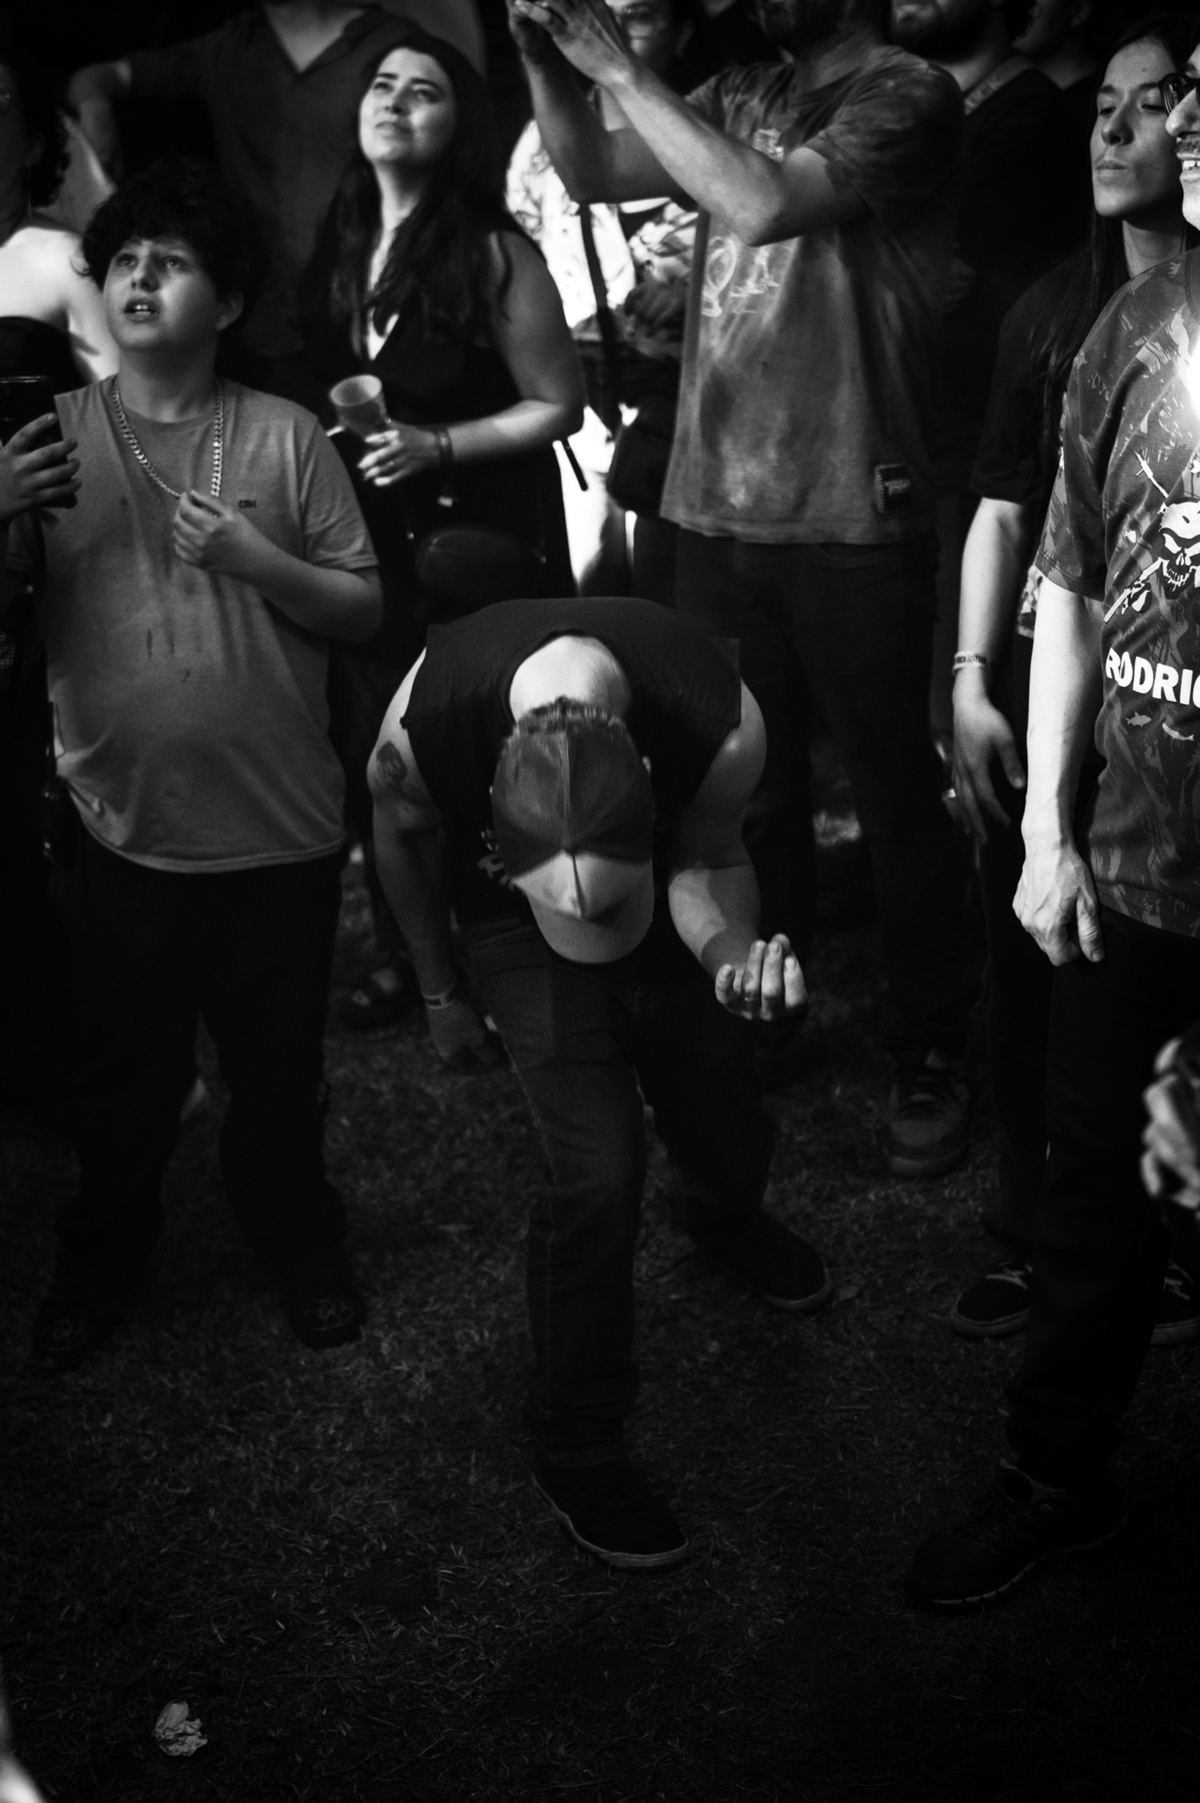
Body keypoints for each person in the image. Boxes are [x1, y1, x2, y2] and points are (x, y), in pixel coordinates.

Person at [509, 0, 974, 1175]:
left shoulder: (906, 90)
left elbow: (764, 205)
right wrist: (547, 64)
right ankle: (768, 1002)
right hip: (718, 506)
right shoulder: (741, 89)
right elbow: (593, 171)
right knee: (743, 791)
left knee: (897, 802)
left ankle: (932, 1046)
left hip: (853, 504)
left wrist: (617, 63)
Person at [905, 37, 1200, 1610]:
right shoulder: (1128, 330)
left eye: (1188, 100)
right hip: (1134, 863)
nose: (1174, 126)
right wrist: (1045, 834)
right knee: (1093, 1201)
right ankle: (1057, 1475)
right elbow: (1069, 584)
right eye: (1169, 99)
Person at [2, 159, 383, 1367]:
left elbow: (362, 609)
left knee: (278, 1073)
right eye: (123, 259)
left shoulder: (285, 435)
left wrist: (257, 560)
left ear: (228, 302)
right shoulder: (47, 444)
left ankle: (299, 1240)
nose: (140, 276)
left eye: (171, 261)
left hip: (281, 829)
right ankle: (101, 1258)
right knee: (125, 1077)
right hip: (124, 828)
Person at [368, 595, 829, 1567]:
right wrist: (441, 989)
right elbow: (400, 835)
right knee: (597, 1168)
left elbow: (709, 852)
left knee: (712, 1079)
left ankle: (725, 1216)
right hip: (512, 913)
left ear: (650, 779)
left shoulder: (720, 722)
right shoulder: (424, 728)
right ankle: (575, 1437)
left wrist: (727, 958)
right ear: (490, 804)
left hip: (672, 882)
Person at [301, 31, 582, 1029]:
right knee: (378, 750)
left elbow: (559, 403)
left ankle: (528, 953)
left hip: (481, 548)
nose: (394, 101)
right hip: (374, 542)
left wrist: (438, 443)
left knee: (486, 750)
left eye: (423, 91)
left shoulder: (493, 251)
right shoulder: (342, 240)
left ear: (460, 125)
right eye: (382, 85)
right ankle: (415, 958)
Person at [65, 3, 484, 394]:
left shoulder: (389, 45)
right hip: (258, 321)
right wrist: (94, 106)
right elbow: (104, 75)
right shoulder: (231, 47)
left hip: (361, 315)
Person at [888, 0, 1083, 746]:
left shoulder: (1028, 117)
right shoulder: (920, 104)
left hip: (973, 454)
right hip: (916, 434)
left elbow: (952, 282)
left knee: (953, 707)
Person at [0, 24, 118, 1109]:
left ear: (35, 134)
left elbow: (134, 417)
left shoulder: (53, 259)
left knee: (55, 824)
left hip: (62, 570)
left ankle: (87, 1063)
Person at [506, 0, 700, 599]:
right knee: (592, 586)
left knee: (670, 590)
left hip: (689, 414)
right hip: (582, 405)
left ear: (683, 31)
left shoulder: (716, 132)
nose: (612, 31)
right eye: (604, 13)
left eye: (638, 15)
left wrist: (693, 296)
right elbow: (520, 254)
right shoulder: (544, 139)